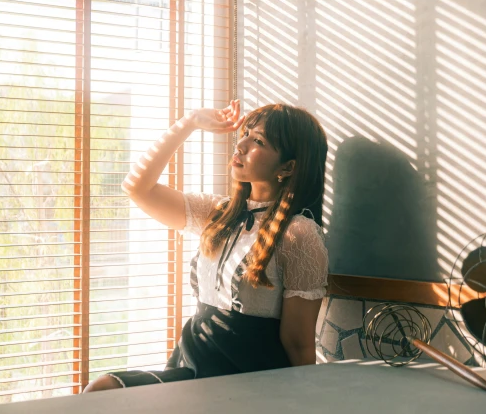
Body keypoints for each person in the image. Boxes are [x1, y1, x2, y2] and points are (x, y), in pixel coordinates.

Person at [84, 100, 329, 392]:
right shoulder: (218, 212)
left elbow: (298, 343)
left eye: (259, 140)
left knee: (104, 389)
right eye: (246, 134)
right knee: (102, 390)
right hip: (192, 365)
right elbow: (137, 188)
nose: (242, 145)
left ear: (287, 167)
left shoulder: (299, 234)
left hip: (249, 380)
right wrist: (189, 122)